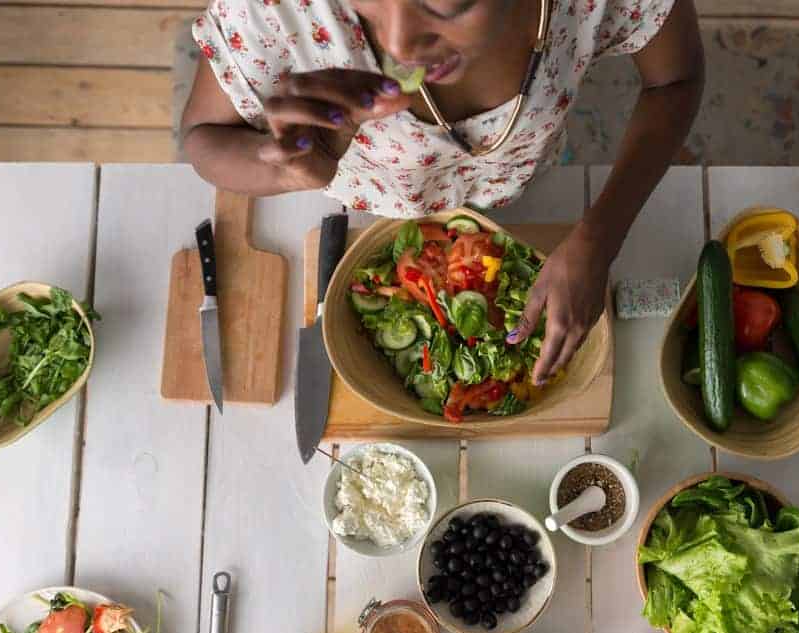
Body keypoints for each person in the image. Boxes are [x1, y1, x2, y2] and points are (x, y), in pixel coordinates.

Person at [181, 0, 704, 384]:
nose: (399, 45)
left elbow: (674, 82)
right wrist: (285, 173)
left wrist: (598, 238)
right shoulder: (274, 12)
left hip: (527, 174)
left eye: (443, 3)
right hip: (371, 199)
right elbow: (203, 139)